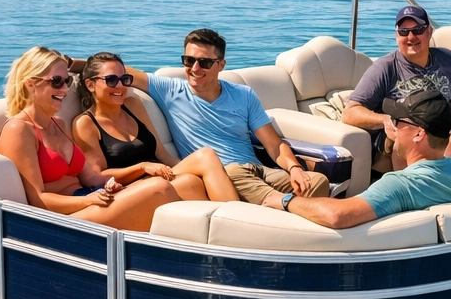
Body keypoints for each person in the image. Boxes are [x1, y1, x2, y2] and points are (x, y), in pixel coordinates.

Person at [117, 28, 330, 204]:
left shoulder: (243, 95)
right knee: (236, 173)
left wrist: (294, 169)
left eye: (204, 63)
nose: (195, 68)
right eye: (188, 60)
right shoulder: (170, 89)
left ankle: (281, 207)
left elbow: (274, 145)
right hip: (223, 175)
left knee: (317, 181)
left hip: (258, 171)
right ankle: (282, 204)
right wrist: (85, 67)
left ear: (221, 65)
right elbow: (121, 71)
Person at [0, 47, 180, 232]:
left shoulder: (58, 123)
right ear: (30, 84)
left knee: (187, 183)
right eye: (56, 81)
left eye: (67, 81)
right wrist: (86, 200)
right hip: (61, 218)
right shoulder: (18, 129)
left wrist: (131, 175)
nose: (65, 89)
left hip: (88, 198)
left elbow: (92, 178)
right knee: (158, 189)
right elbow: (38, 200)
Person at [261, 88, 451, 228]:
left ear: (419, 134)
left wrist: (286, 200)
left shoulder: (399, 186)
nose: (392, 125)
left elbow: (338, 216)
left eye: (397, 120)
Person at [70, 51, 238, 203]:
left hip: (158, 176)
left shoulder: (133, 105)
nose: (120, 86)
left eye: (124, 79)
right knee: (189, 181)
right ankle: (232, 222)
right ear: (90, 85)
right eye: (111, 80)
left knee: (204, 158)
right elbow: (96, 178)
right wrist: (142, 167)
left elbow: (162, 154)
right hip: (131, 188)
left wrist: (191, 169)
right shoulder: (85, 124)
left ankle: (234, 218)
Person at [343, 5, 451, 169]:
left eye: (418, 30)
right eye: (404, 32)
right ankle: (415, 186)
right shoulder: (385, 68)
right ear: (396, 36)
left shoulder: (447, 58)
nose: (411, 37)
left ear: (430, 31)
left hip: (441, 124)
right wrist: (385, 120)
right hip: (406, 132)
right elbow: (350, 113)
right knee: (409, 134)